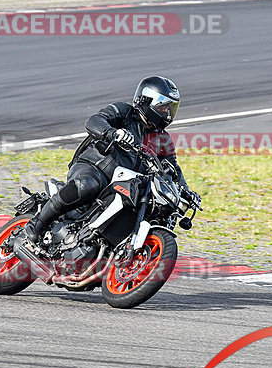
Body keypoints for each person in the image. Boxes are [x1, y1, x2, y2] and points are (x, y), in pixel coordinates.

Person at [24, 75, 197, 245]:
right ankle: (37, 224)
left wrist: (186, 192)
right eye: (163, 107)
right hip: (96, 167)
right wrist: (113, 133)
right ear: (146, 100)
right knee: (87, 185)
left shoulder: (163, 139)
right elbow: (95, 121)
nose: (167, 113)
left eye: (170, 108)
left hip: (125, 183)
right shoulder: (125, 112)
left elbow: (173, 168)